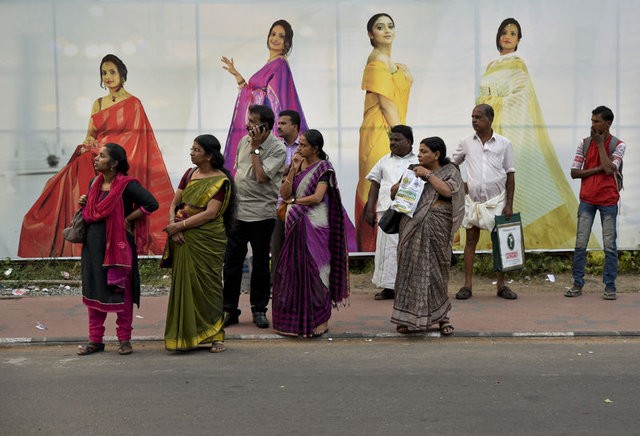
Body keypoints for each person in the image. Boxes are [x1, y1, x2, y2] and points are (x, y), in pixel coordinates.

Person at [19, 54, 173, 257]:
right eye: (104, 73)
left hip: (118, 159)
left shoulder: (134, 103)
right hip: (97, 155)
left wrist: (102, 150)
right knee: (63, 179)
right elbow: (90, 135)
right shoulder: (99, 103)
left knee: (89, 168)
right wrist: (88, 145)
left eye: (112, 72)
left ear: (122, 75)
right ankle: (69, 240)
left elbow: (133, 140)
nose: (108, 77)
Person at [477, 18, 580, 249]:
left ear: (518, 40)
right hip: (487, 128)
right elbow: (481, 98)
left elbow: (520, 98)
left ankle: (524, 241)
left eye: (513, 33)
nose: (507, 36)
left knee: (517, 180)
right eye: (504, 32)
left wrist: (493, 104)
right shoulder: (491, 66)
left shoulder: (517, 64)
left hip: (506, 128)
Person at [76, 143, 158, 356]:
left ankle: (124, 339)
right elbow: (92, 212)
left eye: (101, 156)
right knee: (94, 289)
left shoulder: (127, 185)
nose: (96, 159)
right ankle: (95, 340)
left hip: (119, 248)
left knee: (122, 291)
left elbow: (151, 203)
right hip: (93, 247)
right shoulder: (94, 183)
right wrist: (85, 202)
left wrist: (127, 219)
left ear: (113, 163)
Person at [272, 129, 349, 337]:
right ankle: (297, 320)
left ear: (315, 148)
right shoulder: (296, 166)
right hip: (294, 223)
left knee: (317, 270)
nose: (299, 148)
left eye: (303, 145)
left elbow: (317, 197)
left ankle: (321, 319)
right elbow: (284, 194)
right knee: (295, 271)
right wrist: (292, 170)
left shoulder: (324, 168)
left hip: (315, 224)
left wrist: (294, 203)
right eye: (299, 145)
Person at [163, 135, 236, 353]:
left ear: (209, 155)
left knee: (210, 286)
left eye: (196, 149)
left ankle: (216, 335)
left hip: (207, 239)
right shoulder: (189, 174)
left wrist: (180, 225)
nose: (191, 152)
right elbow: (175, 202)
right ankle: (185, 335)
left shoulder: (221, 180)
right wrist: (172, 225)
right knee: (185, 286)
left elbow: (211, 214)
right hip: (183, 237)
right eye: (192, 148)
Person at [391, 137, 464, 335]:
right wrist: (400, 187)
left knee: (436, 274)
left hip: (437, 229)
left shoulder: (451, 171)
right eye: (419, 151)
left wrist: (428, 175)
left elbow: (449, 192)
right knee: (409, 271)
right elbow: (393, 193)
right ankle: (406, 319)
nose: (420, 155)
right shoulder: (413, 168)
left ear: (437, 154)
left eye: (424, 152)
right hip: (412, 226)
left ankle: (442, 319)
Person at [222, 105, 286, 329]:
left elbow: (260, 177)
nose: (247, 124)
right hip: (238, 213)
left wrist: (257, 149)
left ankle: (259, 310)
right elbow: (238, 172)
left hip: (262, 214)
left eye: (252, 121)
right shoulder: (242, 141)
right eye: (248, 120)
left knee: (260, 264)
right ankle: (229, 310)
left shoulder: (277, 149)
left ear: (265, 126)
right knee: (232, 263)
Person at [355, 13, 413, 252]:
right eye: (380, 27)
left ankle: (393, 244)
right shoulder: (377, 60)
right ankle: (373, 245)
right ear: (371, 34)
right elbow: (387, 105)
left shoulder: (391, 63)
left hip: (393, 129)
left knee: (394, 179)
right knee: (380, 181)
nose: (387, 31)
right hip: (381, 131)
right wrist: (403, 136)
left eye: (390, 26)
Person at [221, 19, 308, 174]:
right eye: (273, 34)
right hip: (259, 127)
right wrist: (237, 75)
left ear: (286, 42)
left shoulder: (280, 64)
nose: (275, 39)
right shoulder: (271, 63)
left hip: (267, 132)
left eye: (281, 36)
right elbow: (255, 92)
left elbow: (275, 102)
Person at [451, 104, 518, 300]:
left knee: (500, 243)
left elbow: (510, 175)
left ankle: (502, 286)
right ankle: (467, 286)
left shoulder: (504, 143)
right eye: (472, 117)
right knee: (470, 241)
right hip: (473, 201)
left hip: (497, 201)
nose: (474, 121)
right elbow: (453, 164)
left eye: (478, 117)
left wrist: (509, 205)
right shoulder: (466, 142)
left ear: (490, 119)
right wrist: (460, 185)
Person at [565, 106, 626, 300]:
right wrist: (598, 168)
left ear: (608, 124)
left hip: (608, 200)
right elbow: (574, 172)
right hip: (587, 199)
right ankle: (577, 284)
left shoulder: (618, 144)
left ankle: (610, 286)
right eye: (592, 121)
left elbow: (610, 170)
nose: (593, 125)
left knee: (609, 245)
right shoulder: (584, 143)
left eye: (597, 121)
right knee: (580, 244)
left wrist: (600, 145)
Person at [363, 125, 418, 300]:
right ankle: (388, 288)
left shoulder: (419, 161)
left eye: (397, 140)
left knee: (409, 250)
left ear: (409, 142)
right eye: (391, 139)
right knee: (387, 251)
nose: (393, 143)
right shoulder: (383, 161)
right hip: (386, 213)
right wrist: (369, 209)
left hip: (411, 213)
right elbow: (374, 186)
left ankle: (409, 287)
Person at [271, 110, 302, 282]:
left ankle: (299, 286)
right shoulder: (275, 147)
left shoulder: (307, 147)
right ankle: (278, 286)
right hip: (278, 206)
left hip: (300, 207)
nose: (279, 126)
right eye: (279, 123)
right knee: (277, 249)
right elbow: (269, 174)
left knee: (300, 249)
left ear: (294, 126)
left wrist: (287, 173)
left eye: (283, 123)